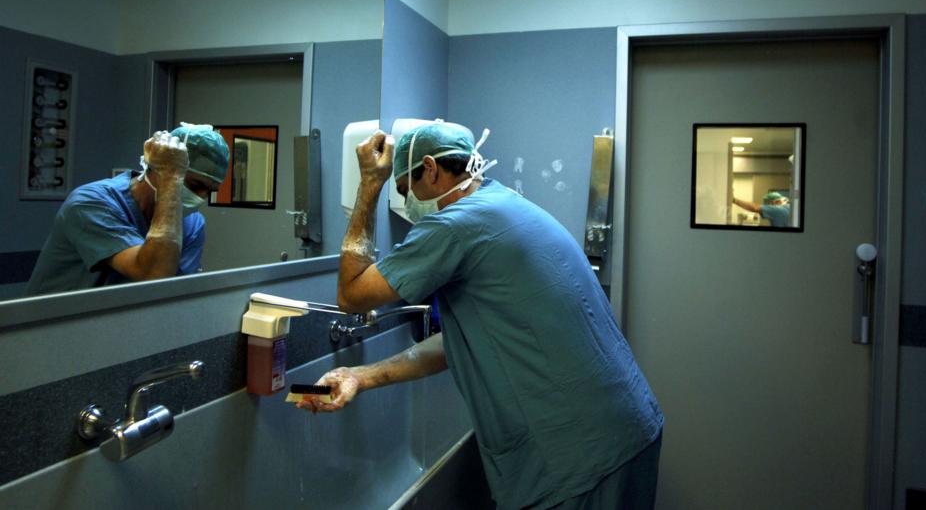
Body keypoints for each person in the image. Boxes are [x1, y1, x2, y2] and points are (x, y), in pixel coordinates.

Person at [297, 122, 665, 509]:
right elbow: (461, 342)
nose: (407, 202)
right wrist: (359, 376)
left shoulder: (457, 225)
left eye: (405, 188)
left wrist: (371, 182)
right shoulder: (503, 205)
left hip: (582, 460)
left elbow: (351, 293)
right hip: (626, 430)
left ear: (431, 168)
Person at [26, 123, 229, 296]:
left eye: (209, 191)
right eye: (194, 186)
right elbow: (153, 274)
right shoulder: (91, 204)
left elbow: (172, 292)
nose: (200, 197)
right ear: (159, 169)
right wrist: (171, 178)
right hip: (49, 329)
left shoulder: (192, 224)